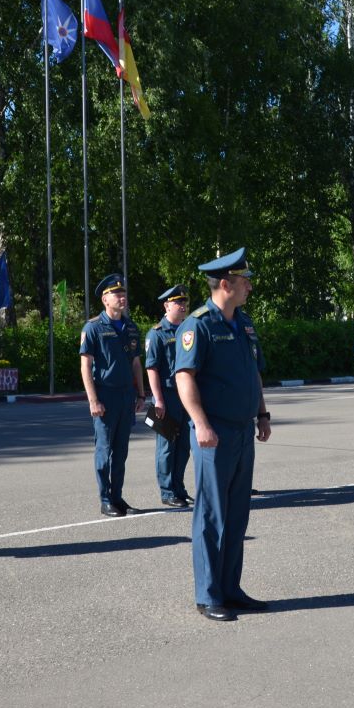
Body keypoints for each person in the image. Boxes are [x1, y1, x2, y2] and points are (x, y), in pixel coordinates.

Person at [175, 247, 271, 622]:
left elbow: (254, 372)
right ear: (226, 283)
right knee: (211, 515)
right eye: (245, 281)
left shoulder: (244, 323)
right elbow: (185, 377)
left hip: (243, 430)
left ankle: (231, 588)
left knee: (236, 513)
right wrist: (200, 422)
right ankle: (209, 594)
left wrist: (261, 413)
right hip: (213, 433)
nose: (249, 287)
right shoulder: (197, 325)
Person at [80, 273, 147, 517]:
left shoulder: (130, 327)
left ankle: (117, 497)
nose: (122, 297)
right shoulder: (94, 327)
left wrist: (141, 394)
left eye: (123, 293)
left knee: (121, 451)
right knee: (104, 451)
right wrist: (93, 400)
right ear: (105, 300)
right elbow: (85, 365)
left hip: (126, 396)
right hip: (105, 396)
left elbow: (136, 364)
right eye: (116, 294)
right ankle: (105, 498)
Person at [145, 284, 194, 507]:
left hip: (187, 396)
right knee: (167, 446)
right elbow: (151, 368)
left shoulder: (188, 330)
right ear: (167, 306)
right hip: (167, 395)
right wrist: (158, 399)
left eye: (184, 302)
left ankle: (179, 487)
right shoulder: (156, 334)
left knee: (184, 445)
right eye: (177, 302)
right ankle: (167, 492)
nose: (182, 306)